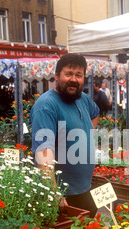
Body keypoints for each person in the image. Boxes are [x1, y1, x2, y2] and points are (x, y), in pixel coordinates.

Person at [31, 53, 100, 218]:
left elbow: (95, 113)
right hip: (63, 196)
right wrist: (53, 192)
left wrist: (85, 137)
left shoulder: (83, 99)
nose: (74, 80)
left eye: (79, 75)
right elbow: (43, 151)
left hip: (84, 189)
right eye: (68, 74)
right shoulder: (46, 106)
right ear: (56, 76)